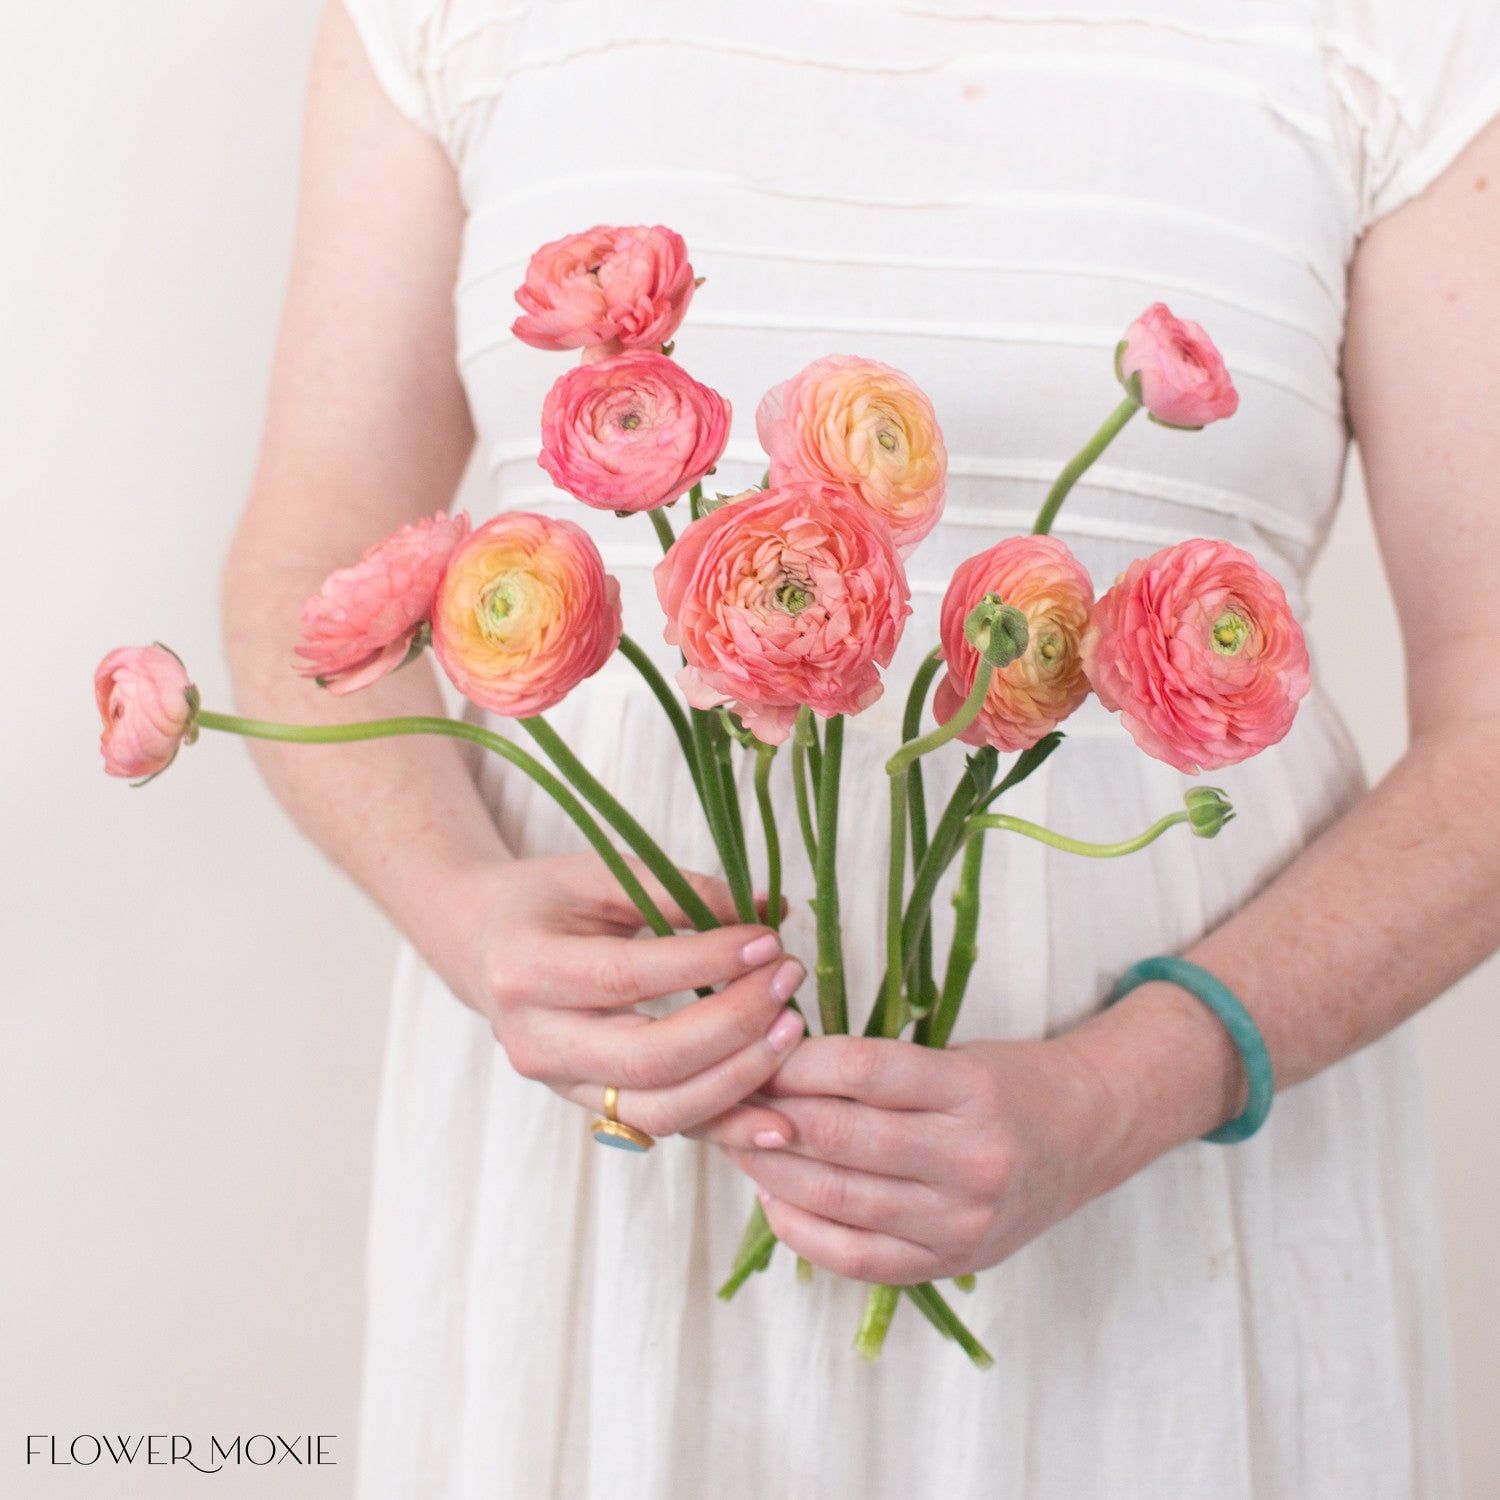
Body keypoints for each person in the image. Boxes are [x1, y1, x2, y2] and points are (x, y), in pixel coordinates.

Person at [222, 1, 1500, 1494]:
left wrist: (1127, 1087)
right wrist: (463, 908)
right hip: (611, 1177)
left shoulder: (1402, 35)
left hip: (1168, 1191)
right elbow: (310, 562)